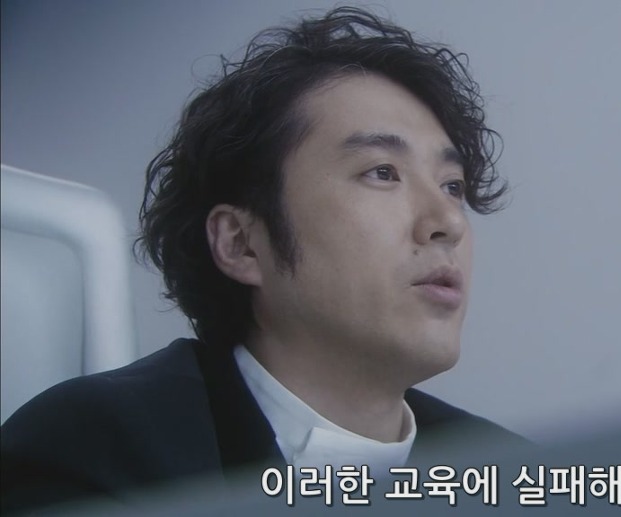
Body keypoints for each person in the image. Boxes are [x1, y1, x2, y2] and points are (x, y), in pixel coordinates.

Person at [1, 6, 524, 513]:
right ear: (241, 244)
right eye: (382, 172)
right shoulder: (94, 449)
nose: (448, 222)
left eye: (452, 186)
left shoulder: (510, 474)